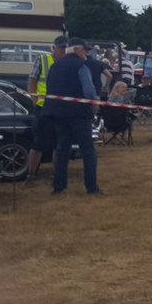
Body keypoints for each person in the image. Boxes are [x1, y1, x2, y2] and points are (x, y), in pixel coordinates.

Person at [43, 39, 103, 195]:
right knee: (88, 151)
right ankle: (92, 187)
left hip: (58, 114)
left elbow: (50, 88)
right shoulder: (81, 66)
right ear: (76, 50)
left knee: (62, 149)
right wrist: (94, 106)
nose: (87, 54)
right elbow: (88, 91)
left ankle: (58, 187)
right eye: (85, 50)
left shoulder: (55, 66)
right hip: (79, 114)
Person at [24, 35, 69, 184]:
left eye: (65, 48)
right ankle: (31, 175)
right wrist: (34, 99)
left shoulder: (67, 62)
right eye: (61, 48)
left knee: (59, 143)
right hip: (43, 107)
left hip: (61, 107)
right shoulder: (43, 59)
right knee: (38, 143)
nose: (63, 51)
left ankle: (57, 175)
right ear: (54, 48)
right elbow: (32, 80)